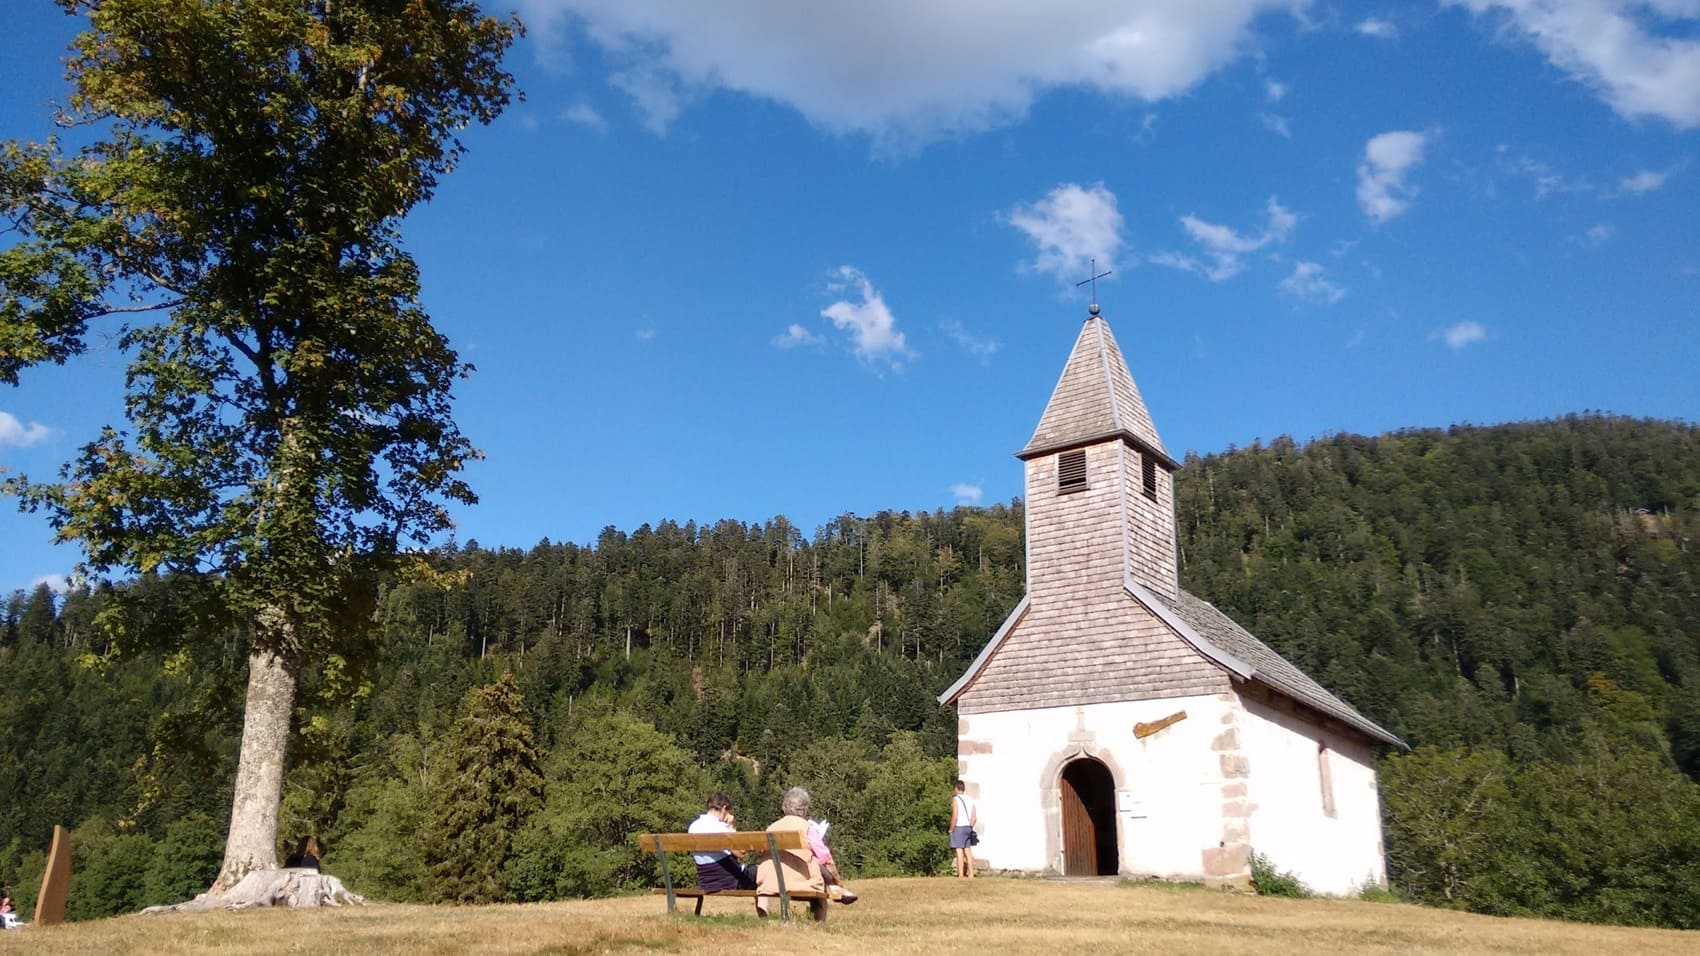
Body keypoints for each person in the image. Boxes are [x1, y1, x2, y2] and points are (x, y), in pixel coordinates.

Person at [755, 786, 857, 919]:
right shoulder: (807, 828)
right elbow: (825, 857)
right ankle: (823, 913)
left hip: (770, 882)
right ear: (804, 810)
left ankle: (764, 916)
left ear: (785, 807)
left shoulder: (771, 828)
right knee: (820, 874)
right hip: (800, 881)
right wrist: (837, 880)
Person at [688, 792, 755, 892]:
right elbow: (741, 853)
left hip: (706, 882)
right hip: (730, 881)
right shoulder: (720, 827)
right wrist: (731, 826)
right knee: (762, 872)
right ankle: (765, 908)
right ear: (723, 808)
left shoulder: (693, 826)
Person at [950, 779, 977, 878]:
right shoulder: (970, 799)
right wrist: (970, 826)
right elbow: (974, 817)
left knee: (959, 851)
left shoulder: (956, 799)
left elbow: (955, 816)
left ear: (956, 788)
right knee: (968, 851)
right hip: (968, 828)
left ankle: (961, 874)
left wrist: (951, 829)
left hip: (959, 827)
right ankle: (971, 874)